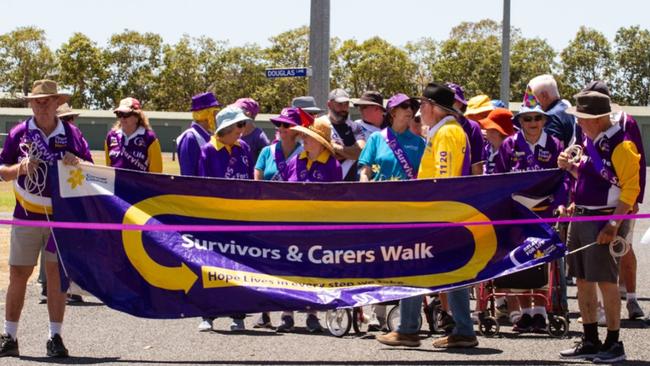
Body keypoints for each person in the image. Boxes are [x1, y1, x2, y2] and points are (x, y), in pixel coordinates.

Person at [377, 83, 477, 349]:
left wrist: (435, 217)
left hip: (439, 215)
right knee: (452, 273)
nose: (419, 110)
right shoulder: (448, 131)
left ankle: (409, 329)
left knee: (414, 267)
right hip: (445, 214)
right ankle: (461, 330)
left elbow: (442, 178)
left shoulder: (446, 133)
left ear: (434, 107)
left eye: (422, 105)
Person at [0, 80, 92, 358]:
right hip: (26, 214)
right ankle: (9, 336)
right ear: (31, 104)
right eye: (37, 101)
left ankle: (55, 337)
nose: (42, 106)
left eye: (47, 101)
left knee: (56, 277)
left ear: (57, 103)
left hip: (60, 218)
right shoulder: (19, 132)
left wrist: (78, 164)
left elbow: (92, 168)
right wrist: (21, 168)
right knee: (19, 274)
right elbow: (3, 170)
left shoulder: (71, 133)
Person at [558, 90, 641, 363]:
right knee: (582, 280)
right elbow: (591, 177)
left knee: (606, 281)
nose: (579, 123)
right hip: (581, 216)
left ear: (598, 119)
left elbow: (630, 189)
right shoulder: (591, 139)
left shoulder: (622, 144)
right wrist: (570, 168)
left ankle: (614, 343)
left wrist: (613, 224)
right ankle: (591, 338)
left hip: (602, 218)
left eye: (583, 118)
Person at [494, 102, 564, 333]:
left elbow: (563, 179)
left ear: (544, 120)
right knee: (521, 260)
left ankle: (541, 313)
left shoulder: (555, 145)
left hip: (544, 211)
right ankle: (525, 314)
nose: (532, 123)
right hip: (516, 212)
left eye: (537, 118)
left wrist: (561, 204)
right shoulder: (509, 144)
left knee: (542, 260)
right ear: (520, 122)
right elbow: (499, 178)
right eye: (527, 119)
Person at [358, 93, 425, 331]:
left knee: (404, 262)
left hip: (407, 213)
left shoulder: (419, 143)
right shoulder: (377, 139)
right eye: (404, 106)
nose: (410, 110)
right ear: (392, 112)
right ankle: (377, 312)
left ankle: (406, 315)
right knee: (379, 261)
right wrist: (366, 191)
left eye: (413, 107)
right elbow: (364, 170)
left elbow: (424, 179)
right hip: (379, 211)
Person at [581, 81, 646, 320]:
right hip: (595, 196)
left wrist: (636, 198)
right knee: (597, 258)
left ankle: (631, 297)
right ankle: (599, 306)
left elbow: (637, 161)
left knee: (623, 248)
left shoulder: (626, 121)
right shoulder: (586, 123)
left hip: (621, 197)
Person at [197, 105, 253, 331]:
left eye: (242, 125)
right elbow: (202, 186)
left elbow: (250, 181)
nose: (242, 129)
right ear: (225, 128)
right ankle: (207, 315)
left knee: (239, 266)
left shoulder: (244, 148)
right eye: (238, 126)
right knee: (211, 266)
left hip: (240, 218)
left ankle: (238, 315)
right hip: (215, 219)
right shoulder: (208, 150)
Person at [252, 107, 306, 330]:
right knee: (266, 263)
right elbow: (258, 177)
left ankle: (287, 311)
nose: (281, 129)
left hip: (293, 216)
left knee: (289, 264)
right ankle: (264, 312)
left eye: (286, 125)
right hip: (269, 214)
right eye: (279, 125)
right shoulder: (267, 152)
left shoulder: (304, 152)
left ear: (296, 130)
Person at [317, 88, 365, 181]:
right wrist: (350, 153)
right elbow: (317, 154)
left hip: (350, 184)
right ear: (329, 104)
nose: (344, 108)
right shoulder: (319, 124)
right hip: (324, 181)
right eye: (339, 104)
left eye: (346, 104)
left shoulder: (355, 126)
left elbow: (361, 153)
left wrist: (332, 146)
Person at [105, 97, 162, 173]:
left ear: (137, 116)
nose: (122, 118)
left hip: (140, 184)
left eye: (126, 114)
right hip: (116, 184)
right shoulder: (111, 136)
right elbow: (108, 168)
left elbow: (157, 172)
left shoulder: (149, 138)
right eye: (119, 114)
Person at [528, 74, 582, 148]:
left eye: (533, 98)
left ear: (544, 95)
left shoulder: (550, 117)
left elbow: (549, 154)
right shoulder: (567, 106)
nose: (531, 103)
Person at [177, 92, 220, 177]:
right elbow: (188, 175)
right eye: (214, 112)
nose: (216, 116)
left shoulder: (211, 135)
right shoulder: (190, 138)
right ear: (204, 114)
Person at [446, 83, 486, 176]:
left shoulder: (472, 127)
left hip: (463, 185)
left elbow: (477, 166)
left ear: (460, 103)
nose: (446, 103)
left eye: (451, 99)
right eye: (443, 99)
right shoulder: (434, 125)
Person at [287, 116, 342, 182]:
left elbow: (337, 191)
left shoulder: (333, 166)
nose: (303, 138)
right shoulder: (294, 161)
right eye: (303, 134)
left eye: (307, 134)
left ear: (320, 140)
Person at [478, 108, 514, 174]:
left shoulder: (512, 153)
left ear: (495, 131)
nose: (484, 129)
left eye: (487, 127)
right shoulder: (487, 148)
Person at [234, 98, 269, 162]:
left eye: (237, 111)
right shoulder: (232, 133)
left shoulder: (259, 137)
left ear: (248, 114)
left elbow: (266, 161)